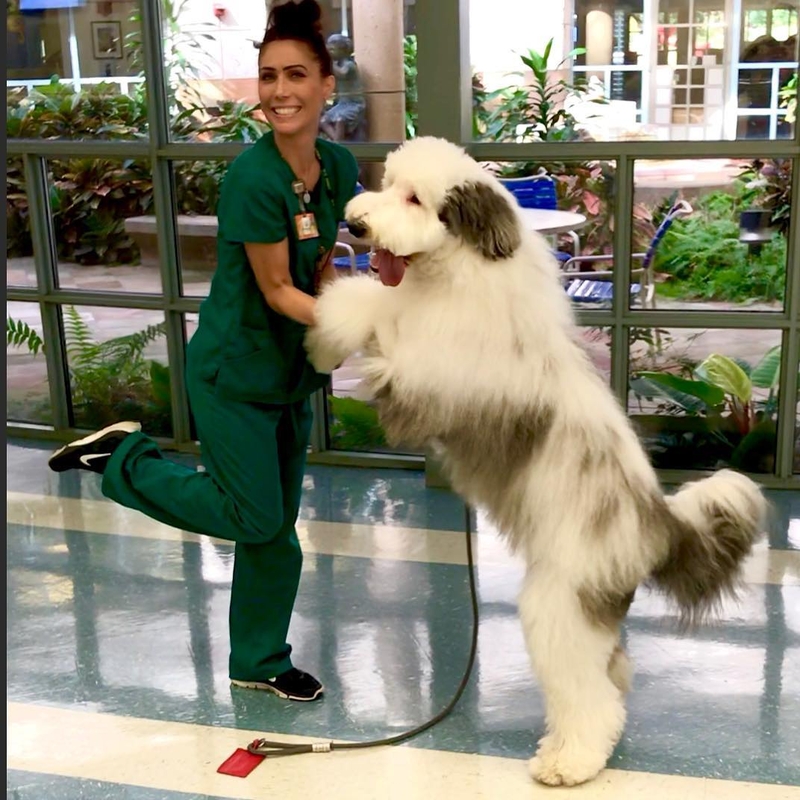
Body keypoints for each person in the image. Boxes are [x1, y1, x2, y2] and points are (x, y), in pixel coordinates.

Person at [47, 0, 359, 703]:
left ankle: (258, 660)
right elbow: (278, 290)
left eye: (296, 75)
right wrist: (366, 332)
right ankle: (123, 459)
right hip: (233, 374)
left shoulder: (335, 166)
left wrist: (347, 292)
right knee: (255, 517)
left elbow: (319, 264)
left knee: (275, 534)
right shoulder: (252, 178)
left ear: (326, 84)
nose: (280, 91)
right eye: (268, 76)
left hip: (289, 374)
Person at [319, 33, 367, 142]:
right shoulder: (337, 64)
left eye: (332, 50)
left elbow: (342, 73)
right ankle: (337, 143)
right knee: (323, 121)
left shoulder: (349, 65)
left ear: (343, 51)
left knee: (340, 120)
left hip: (354, 104)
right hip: (342, 103)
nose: (330, 53)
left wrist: (330, 62)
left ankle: (337, 145)